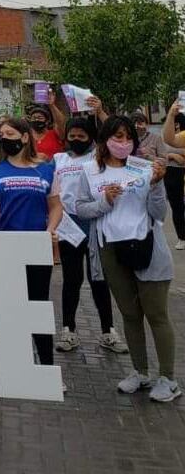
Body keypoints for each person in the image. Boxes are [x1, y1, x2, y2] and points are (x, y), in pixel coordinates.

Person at [73, 115, 179, 402]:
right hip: (111, 250)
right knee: (130, 314)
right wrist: (105, 201)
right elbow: (81, 208)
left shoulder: (144, 168)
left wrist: (156, 185)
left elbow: (159, 214)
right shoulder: (90, 171)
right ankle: (140, 371)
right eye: (117, 137)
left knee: (156, 314)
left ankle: (168, 378)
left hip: (147, 247)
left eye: (128, 137)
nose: (123, 142)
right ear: (104, 140)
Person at [0, 118, 62, 380]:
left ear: (25, 137)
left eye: (10, 133)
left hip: (36, 246)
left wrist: (50, 230)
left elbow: (55, 206)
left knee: (37, 307)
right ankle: (14, 370)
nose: (5, 138)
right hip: (4, 246)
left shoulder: (46, 169)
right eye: (1, 134)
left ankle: (46, 368)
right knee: (8, 307)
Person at [53, 116, 126, 354]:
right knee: (72, 280)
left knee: (99, 280)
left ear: (91, 138)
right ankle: (68, 330)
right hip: (69, 228)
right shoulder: (58, 159)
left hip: (96, 225)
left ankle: (108, 331)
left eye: (81, 136)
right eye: (72, 136)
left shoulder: (98, 159)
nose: (76, 140)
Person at [160, 105, 185, 250]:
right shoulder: (173, 135)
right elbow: (168, 141)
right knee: (177, 207)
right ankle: (182, 237)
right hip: (173, 174)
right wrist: (172, 155)